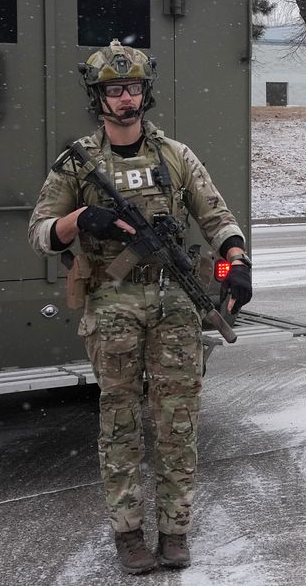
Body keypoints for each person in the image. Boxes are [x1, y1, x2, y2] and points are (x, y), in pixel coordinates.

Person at [28, 41, 252, 574]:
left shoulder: (175, 155)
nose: (125, 100)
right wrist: (81, 219)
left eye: (132, 89)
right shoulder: (77, 164)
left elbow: (216, 214)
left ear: (144, 93)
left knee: (178, 420)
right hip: (111, 304)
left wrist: (237, 259)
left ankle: (175, 530)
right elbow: (39, 235)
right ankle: (128, 533)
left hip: (174, 301)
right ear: (98, 97)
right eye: (114, 90)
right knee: (120, 420)